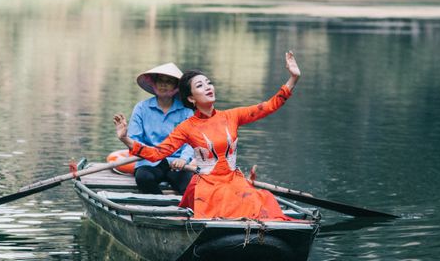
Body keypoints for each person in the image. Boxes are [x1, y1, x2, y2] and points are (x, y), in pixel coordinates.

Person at [113, 51, 301, 221]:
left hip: (233, 183)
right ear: (191, 98)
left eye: (209, 83)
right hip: (207, 186)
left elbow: (268, 106)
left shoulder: (232, 116)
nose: (208, 87)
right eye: (200, 86)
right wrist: (125, 138)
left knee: (261, 205)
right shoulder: (187, 127)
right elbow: (155, 154)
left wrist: (293, 78)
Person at [126, 62, 194, 196]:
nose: (163, 85)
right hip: (148, 162)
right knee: (143, 178)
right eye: (160, 81)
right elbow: (134, 139)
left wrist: (183, 159)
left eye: (168, 82)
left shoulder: (186, 112)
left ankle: (184, 211)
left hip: (176, 163)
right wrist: (151, 154)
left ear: (176, 86)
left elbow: (191, 141)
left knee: (190, 184)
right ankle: (161, 208)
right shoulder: (141, 108)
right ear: (154, 84)